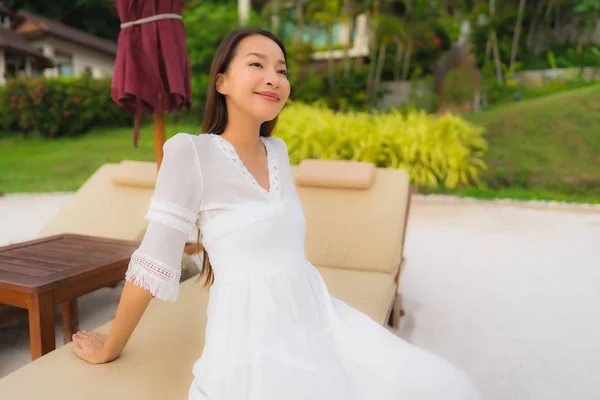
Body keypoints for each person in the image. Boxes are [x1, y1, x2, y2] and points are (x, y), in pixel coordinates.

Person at [72, 27, 481, 400]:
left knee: (439, 385)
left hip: (316, 314)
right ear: (222, 83)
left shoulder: (278, 152)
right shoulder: (190, 153)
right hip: (251, 334)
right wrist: (110, 347)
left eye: (281, 70)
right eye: (256, 64)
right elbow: (152, 263)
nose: (274, 78)